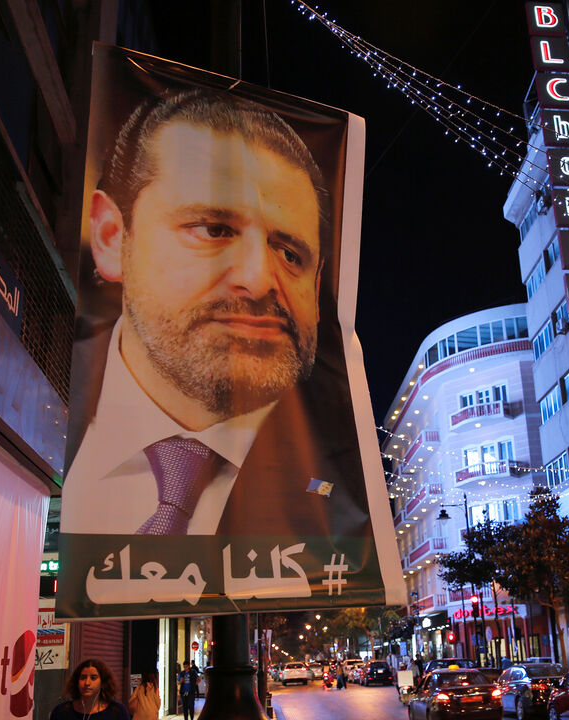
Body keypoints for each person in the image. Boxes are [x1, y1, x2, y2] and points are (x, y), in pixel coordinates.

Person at [62, 88, 370, 538]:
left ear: (317, 283)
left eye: (289, 253)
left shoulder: (346, 487)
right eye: (214, 229)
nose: (261, 279)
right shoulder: (36, 400)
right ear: (112, 237)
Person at [50, 659, 130, 720]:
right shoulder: (62, 711)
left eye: (93, 678)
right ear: (76, 681)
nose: (87, 683)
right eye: (83, 678)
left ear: (102, 682)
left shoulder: (117, 712)